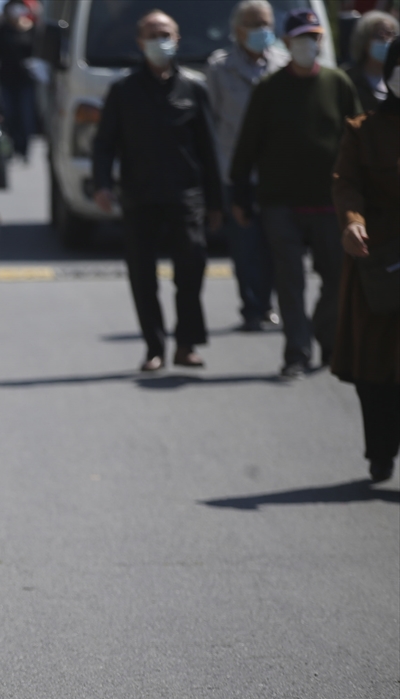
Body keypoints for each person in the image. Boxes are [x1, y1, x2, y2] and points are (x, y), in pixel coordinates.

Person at [230, 8, 362, 378]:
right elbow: (247, 148)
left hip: (330, 203)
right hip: (281, 204)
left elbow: (357, 142)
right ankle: (297, 352)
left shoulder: (338, 83)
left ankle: (325, 332)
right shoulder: (269, 90)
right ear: (287, 43)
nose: (310, 44)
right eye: (302, 37)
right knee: (290, 281)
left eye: (315, 36)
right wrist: (240, 195)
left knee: (338, 278)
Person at [92, 10, 223, 372]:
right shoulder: (123, 90)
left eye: (164, 33)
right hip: (139, 196)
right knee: (142, 276)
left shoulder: (194, 87)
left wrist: (216, 202)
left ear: (177, 38)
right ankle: (154, 347)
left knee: (192, 268)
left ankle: (186, 344)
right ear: (139, 42)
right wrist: (102, 185)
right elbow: (104, 145)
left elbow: (209, 150)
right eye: (151, 34)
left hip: (186, 195)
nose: (158, 40)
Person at [331, 39, 400, 483]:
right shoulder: (363, 129)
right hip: (380, 265)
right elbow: (346, 183)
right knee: (375, 368)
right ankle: (380, 452)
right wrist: (353, 223)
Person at [207, 0, 288, 333]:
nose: (261, 31)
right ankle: (250, 306)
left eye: (266, 23)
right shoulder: (220, 68)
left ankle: (268, 303)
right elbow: (211, 119)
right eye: (254, 25)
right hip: (236, 172)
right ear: (238, 30)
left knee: (275, 242)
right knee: (245, 243)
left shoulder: (283, 63)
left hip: (276, 172)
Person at [0, 0, 39, 161]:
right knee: (9, 115)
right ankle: (11, 147)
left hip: (26, 81)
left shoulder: (32, 29)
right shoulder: (2, 29)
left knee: (26, 116)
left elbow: (37, 53)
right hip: (6, 80)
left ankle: (24, 149)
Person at [344, 10, 399, 112]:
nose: (386, 40)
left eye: (390, 35)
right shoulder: (348, 79)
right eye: (379, 35)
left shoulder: (397, 76)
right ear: (364, 41)